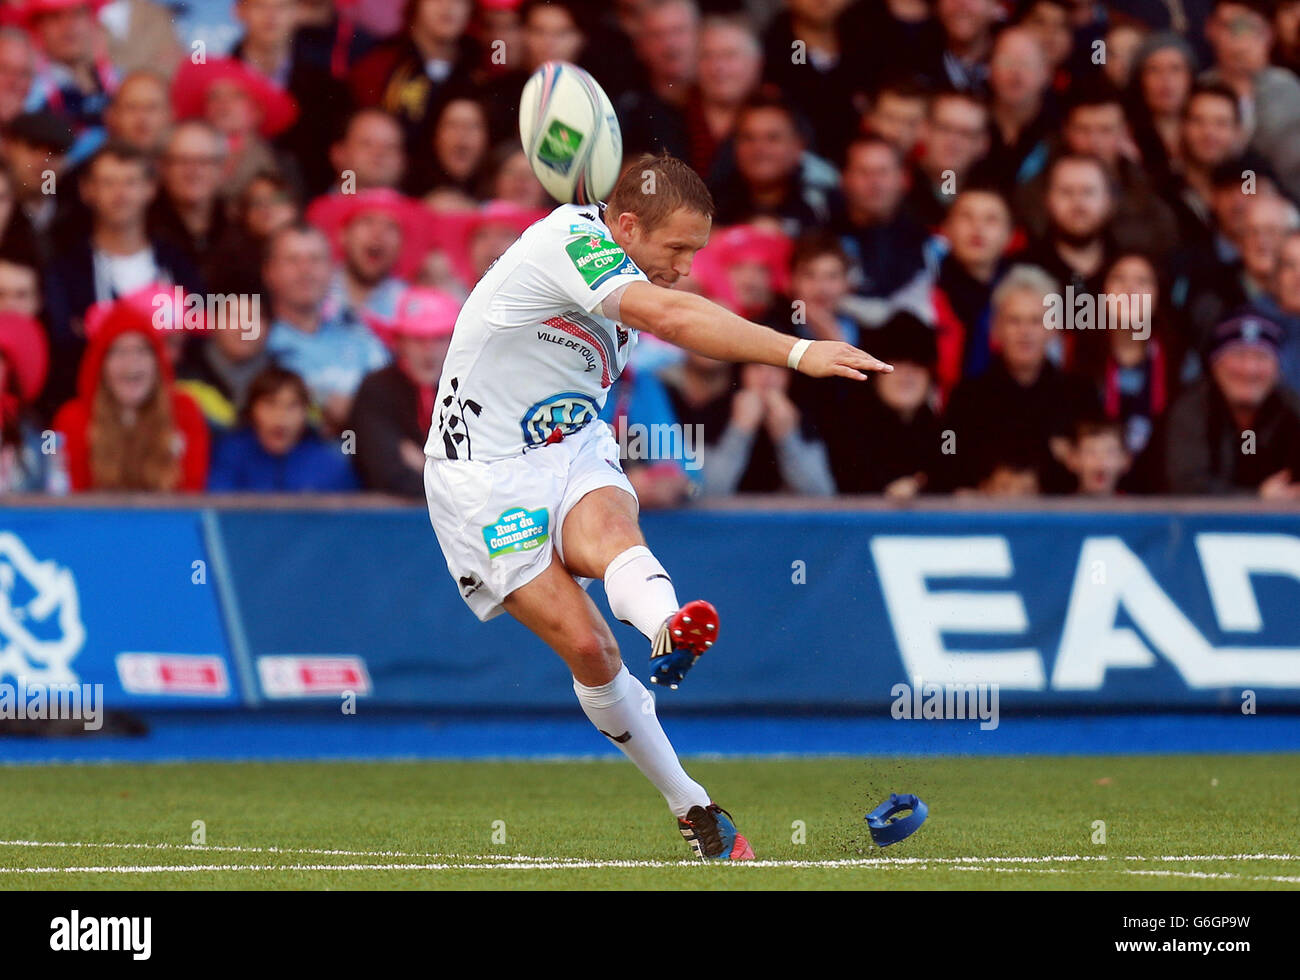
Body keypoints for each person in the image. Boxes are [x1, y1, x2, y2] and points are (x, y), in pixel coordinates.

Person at [422, 152, 890, 859]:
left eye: (696, 251)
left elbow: (673, 302)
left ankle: (667, 625)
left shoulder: (624, 253)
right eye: (676, 249)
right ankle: (692, 805)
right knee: (589, 647)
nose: (684, 266)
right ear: (628, 227)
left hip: (572, 443)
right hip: (482, 477)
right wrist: (797, 353)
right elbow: (673, 316)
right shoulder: (566, 243)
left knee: (612, 528)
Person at [50, 299, 209, 491]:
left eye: (141, 350)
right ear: (100, 365)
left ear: (158, 363)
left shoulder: (184, 411)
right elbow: (65, 494)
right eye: (118, 351)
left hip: (166, 520)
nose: (131, 362)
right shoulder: (72, 418)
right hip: (94, 520)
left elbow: (192, 492)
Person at [1158, 310, 1300, 495]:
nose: (1249, 370)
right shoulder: (1191, 410)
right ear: (1215, 364)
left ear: (1277, 369)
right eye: (1239, 355)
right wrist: (1257, 500)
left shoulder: (1290, 409)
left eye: (1261, 357)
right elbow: (1186, 485)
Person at [349, 285, 459, 497]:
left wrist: (423, 464)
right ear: (398, 343)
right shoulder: (376, 389)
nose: (430, 351)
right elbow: (387, 473)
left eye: (439, 339)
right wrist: (452, 478)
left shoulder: (468, 389)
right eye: (418, 339)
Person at [207, 365, 358, 491]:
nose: (281, 417)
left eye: (292, 406)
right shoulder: (229, 454)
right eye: (270, 404)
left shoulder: (330, 462)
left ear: (306, 413)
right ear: (252, 410)